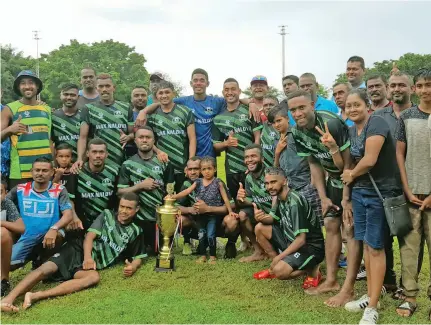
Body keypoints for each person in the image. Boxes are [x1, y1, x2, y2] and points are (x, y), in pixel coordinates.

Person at [0, 193, 146, 313]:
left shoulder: (136, 231)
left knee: (93, 277)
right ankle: (8, 299)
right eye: (122, 206)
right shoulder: (107, 215)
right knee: (46, 269)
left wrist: (133, 266)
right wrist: (88, 257)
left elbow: (138, 255)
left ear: (137, 209)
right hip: (78, 250)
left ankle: (36, 295)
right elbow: (89, 236)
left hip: (89, 267)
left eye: (129, 208)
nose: (124, 211)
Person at [338, 89, 401, 325]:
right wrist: (348, 193)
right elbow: (350, 161)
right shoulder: (353, 130)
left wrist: (351, 174)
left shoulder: (377, 123)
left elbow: (369, 160)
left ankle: (372, 307)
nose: (352, 109)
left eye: (357, 105)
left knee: (376, 248)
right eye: (348, 106)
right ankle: (371, 295)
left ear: (367, 106)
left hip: (379, 194)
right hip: (360, 193)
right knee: (366, 245)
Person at [286, 90, 351, 296]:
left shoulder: (331, 124)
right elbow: (314, 162)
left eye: (301, 107)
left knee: (350, 230)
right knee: (331, 225)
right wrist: (322, 197)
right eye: (293, 110)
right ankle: (331, 280)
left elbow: (348, 165)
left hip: (352, 181)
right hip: (332, 181)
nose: (297, 113)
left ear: (312, 105)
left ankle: (350, 282)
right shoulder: (296, 133)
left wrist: (347, 197)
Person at [135, 68, 258, 158]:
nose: (198, 83)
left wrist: (251, 103)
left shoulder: (217, 101)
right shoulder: (183, 101)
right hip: (188, 153)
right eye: (195, 80)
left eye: (202, 80)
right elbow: (162, 102)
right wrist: (144, 111)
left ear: (207, 83)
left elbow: (233, 98)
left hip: (209, 153)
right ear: (191, 83)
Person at [395, 68, 431, 319]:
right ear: (415, 89)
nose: (425, 90)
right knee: (409, 248)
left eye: (429, 85)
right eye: (420, 85)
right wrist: (406, 188)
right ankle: (409, 296)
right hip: (412, 196)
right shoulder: (406, 116)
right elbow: (399, 153)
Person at [213, 78, 262, 256]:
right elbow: (215, 145)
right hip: (232, 169)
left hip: (252, 167)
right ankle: (244, 240)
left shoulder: (248, 110)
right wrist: (226, 144)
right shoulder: (218, 118)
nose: (230, 92)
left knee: (257, 201)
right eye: (226, 89)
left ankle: (262, 238)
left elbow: (257, 137)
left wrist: (256, 161)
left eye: (233, 89)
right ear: (223, 92)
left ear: (239, 91)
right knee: (239, 204)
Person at [4, 158, 73, 280]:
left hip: (50, 234)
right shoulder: (20, 189)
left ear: (52, 172)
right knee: (8, 265)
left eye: (44, 170)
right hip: (27, 236)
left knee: (57, 236)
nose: (40, 173)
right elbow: (5, 203)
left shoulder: (59, 189)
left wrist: (54, 228)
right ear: (32, 171)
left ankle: (44, 260)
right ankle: (34, 258)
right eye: (37, 170)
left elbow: (68, 214)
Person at [253, 167, 325, 283]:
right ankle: (275, 265)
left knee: (280, 272)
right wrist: (259, 217)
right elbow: (271, 219)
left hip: (309, 248)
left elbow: (301, 240)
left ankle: (313, 269)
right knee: (260, 228)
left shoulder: (294, 202)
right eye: (266, 183)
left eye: (273, 182)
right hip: (291, 242)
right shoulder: (279, 197)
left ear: (285, 181)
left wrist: (279, 257)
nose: (269, 187)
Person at [168, 156, 236, 264]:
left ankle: (213, 256)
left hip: (213, 216)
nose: (206, 171)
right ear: (201, 171)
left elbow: (226, 199)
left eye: (209, 169)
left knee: (210, 235)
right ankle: (203, 255)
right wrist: (173, 197)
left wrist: (230, 211)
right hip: (200, 216)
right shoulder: (198, 182)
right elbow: (186, 192)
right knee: (202, 234)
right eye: (204, 169)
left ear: (215, 169)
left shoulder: (218, 182)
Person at [117, 126, 175, 254]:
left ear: (154, 141)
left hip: (159, 219)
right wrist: (140, 186)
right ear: (136, 141)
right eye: (141, 137)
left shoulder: (164, 162)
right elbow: (120, 193)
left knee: (158, 251)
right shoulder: (127, 164)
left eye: (148, 137)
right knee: (141, 252)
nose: (144, 140)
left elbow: (171, 191)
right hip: (138, 219)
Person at [269, 107, 322, 225]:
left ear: (287, 119)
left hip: (305, 183)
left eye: (279, 120)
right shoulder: (275, 140)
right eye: (273, 123)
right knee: (299, 223)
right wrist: (277, 152)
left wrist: (313, 182)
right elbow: (276, 169)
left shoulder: (297, 133)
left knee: (317, 221)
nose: (276, 125)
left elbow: (312, 157)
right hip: (290, 187)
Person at [1, 70, 53, 188]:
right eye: (23, 83)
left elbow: (49, 140)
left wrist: (52, 164)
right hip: (20, 173)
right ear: (18, 87)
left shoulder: (47, 110)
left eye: (31, 82)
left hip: (44, 170)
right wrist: (10, 129)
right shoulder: (9, 109)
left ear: (37, 86)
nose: (27, 86)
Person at [75, 73, 134, 173]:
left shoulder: (126, 107)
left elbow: (133, 134)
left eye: (107, 86)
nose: (104, 89)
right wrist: (80, 158)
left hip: (121, 160)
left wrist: (128, 137)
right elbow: (83, 137)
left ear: (113, 88)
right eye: (101, 86)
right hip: (97, 162)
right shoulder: (88, 108)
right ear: (97, 88)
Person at [147, 80, 196, 193]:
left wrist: (190, 163)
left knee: (181, 199)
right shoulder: (153, 115)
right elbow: (149, 140)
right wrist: (158, 152)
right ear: (156, 96)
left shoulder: (185, 111)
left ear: (173, 93)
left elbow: (192, 138)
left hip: (181, 164)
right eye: (161, 93)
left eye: (167, 92)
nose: (164, 95)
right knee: (163, 199)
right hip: (162, 165)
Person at [233, 144, 271, 262]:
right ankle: (258, 251)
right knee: (242, 215)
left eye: (253, 156)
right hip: (259, 212)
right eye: (247, 157)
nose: (249, 160)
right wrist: (241, 199)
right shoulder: (248, 177)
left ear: (262, 158)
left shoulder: (270, 174)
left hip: (275, 213)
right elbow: (250, 201)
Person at [74, 139, 118, 230]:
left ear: (107, 154)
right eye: (94, 152)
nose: (98, 155)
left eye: (101, 152)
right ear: (87, 153)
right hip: (82, 223)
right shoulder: (77, 172)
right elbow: (69, 200)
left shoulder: (114, 172)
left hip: (107, 223)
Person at [1, 179, 25, 297]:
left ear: (6, 193)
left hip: (3, 242)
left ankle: (3, 280)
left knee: (3, 233)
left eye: (0, 192)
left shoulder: (7, 203)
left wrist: (2, 223)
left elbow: (21, 227)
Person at [52, 83, 82, 161]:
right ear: (60, 96)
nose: (69, 97)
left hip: (79, 164)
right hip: (60, 166)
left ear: (78, 97)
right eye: (65, 94)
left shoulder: (84, 115)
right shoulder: (53, 116)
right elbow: (50, 143)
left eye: (72, 95)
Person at [260, 101, 279, 168]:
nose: (268, 107)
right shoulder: (262, 124)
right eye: (265, 105)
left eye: (271, 104)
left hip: (280, 169)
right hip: (264, 169)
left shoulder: (283, 124)